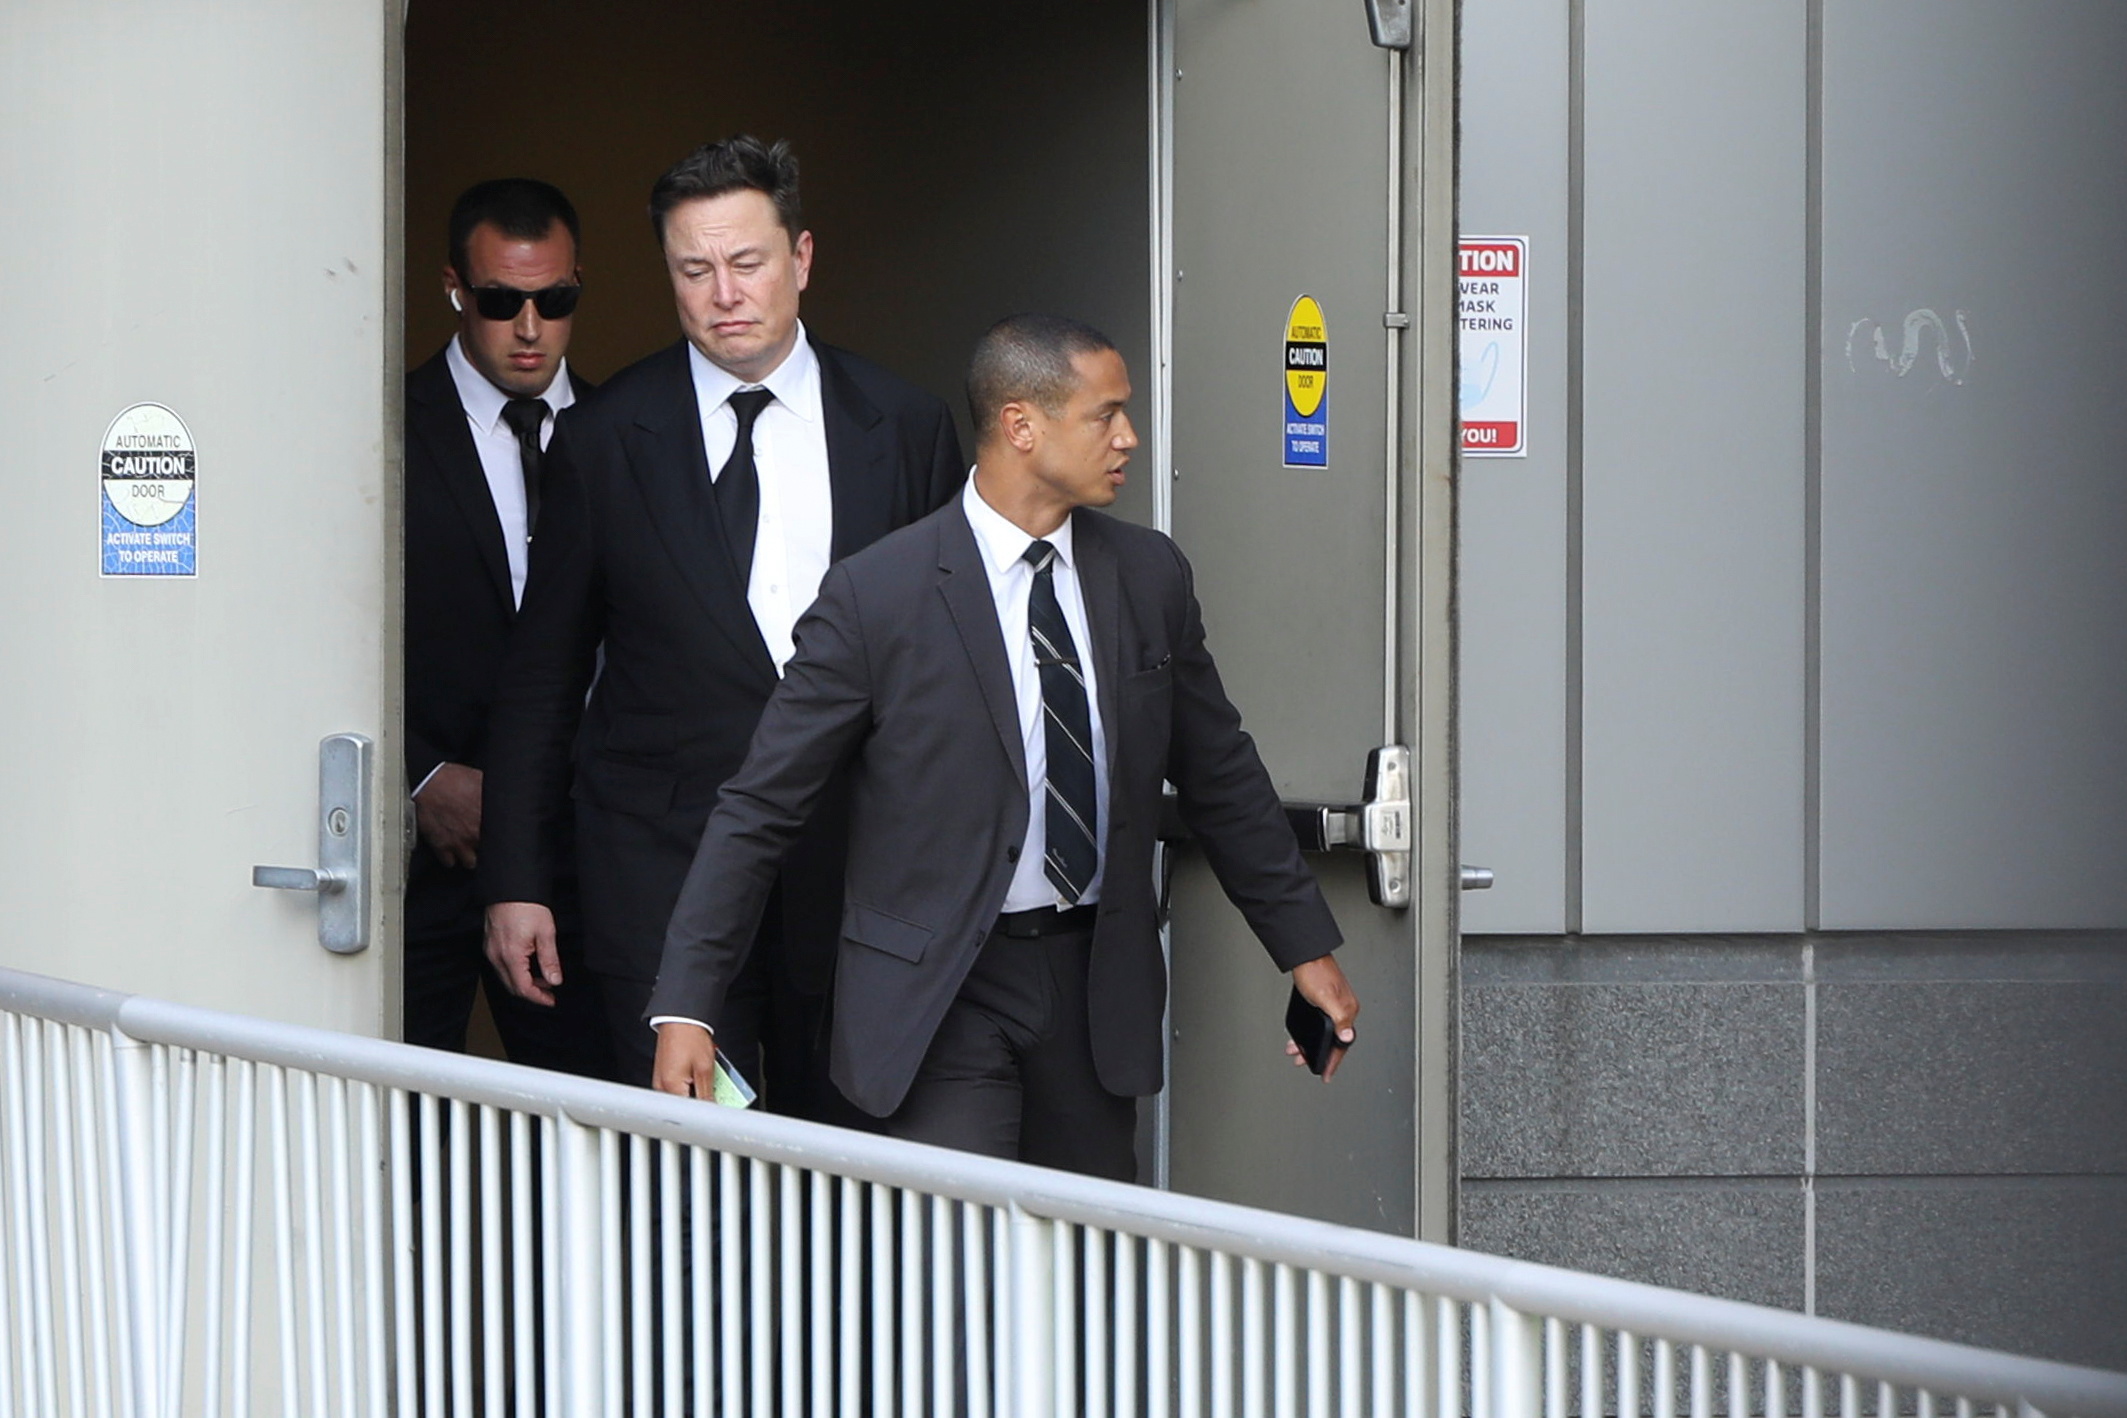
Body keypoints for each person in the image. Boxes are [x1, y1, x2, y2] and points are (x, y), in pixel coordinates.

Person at [648, 314, 1359, 1180]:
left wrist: (1304, 948)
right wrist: (687, 1003)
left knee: (1082, 1244)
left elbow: (1221, 775)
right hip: (937, 990)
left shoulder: (1149, 577)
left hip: (1091, 983)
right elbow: (760, 806)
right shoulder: (878, 594)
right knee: (967, 1240)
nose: (1127, 438)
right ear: (1021, 426)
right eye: (1105, 414)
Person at [479, 138, 964, 1109]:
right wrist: (517, 879)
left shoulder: (904, 426)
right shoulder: (604, 438)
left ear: (802, 258)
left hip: (859, 880)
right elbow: (543, 674)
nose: (724, 294)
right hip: (659, 880)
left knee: (850, 1163)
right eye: (693, 270)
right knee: (688, 1174)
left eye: (746, 262)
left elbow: (956, 663)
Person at [402, 177, 613, 1078]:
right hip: (423, 858)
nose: (529, 328)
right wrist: (417, 776)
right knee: (403, 1116)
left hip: (578, 845)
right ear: (455, 289)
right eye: (499, 301)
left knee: (586, 1118)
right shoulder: (380, 428)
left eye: (553, 301)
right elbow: (308, 626)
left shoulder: (624, 435)